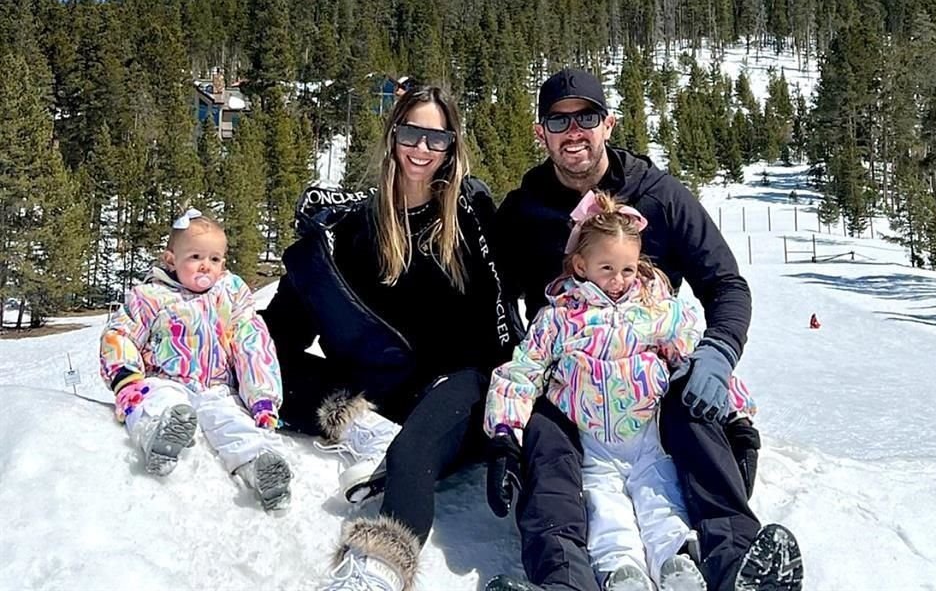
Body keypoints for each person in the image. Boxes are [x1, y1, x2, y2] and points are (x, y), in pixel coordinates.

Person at [485, 68, 802, 591]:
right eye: (558, 121)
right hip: (572, 389)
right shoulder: (523, 211)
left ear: (608, 123)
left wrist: (720, 365)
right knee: (547, 438)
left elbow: (726, 284)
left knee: (694, 401)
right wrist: (503, 429)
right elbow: (494, 305)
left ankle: (736, 565)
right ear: (541, 133)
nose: (574, 132)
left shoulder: (659, 196)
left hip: (652, 388)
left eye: (586, 117)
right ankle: (564, 579)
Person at [259, 85, 523, 590]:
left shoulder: (471, 218)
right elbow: (282, 331)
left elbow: (504, 318)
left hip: (460, 386)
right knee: (267, 367)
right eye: (411, 133)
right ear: (392, 135)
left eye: (436, 138)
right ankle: (364, 431)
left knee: (411, 453)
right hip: (384, 387)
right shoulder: (355, 224)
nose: (421, 149)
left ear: (451, 146)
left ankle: (374, 569)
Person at [486, 191, 761, 591]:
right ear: (580, 265)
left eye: (628, 270)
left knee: (661, 498)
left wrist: (738, 417)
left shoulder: (658, 310)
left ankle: (677, 563)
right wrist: (504, 434)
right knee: (605, 506)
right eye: (607, 268)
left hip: (649, 435)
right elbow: (522, 372)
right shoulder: (560, 319)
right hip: (592, 439)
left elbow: (693, 361)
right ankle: (621, 573)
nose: (619, 281)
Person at [99, 209, 292, 511]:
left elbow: (252, 343)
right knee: (155, 402)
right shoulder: (150, 296)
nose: (206, 265)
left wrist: (262, 398)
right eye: (195, 257)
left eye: (214, 259)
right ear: (171, 260)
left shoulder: (229, 295)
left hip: (216, 386)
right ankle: (158, 434)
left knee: (234, 421)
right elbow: (121, 335)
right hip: (165, 378)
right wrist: (126, 379)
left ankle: (261, 466)